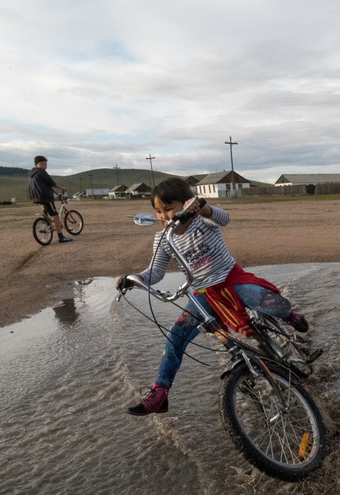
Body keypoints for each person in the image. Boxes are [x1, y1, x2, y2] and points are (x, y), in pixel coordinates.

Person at [118, 177, 309, 416]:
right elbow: (155, 272)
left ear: (186, 204)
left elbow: (224, 218)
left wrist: (204, 208)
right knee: (176, 337)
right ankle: (160, 392)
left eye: (168, 208)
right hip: (202, 293)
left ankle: (289, 316)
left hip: (230, 279)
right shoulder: (163, 238)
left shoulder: (202, 221)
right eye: (158, 211)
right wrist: (134, 279)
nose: (164, 216)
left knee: (274, 304)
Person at [27, 155, 72, 243]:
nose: (44, 166)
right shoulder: (42, 172)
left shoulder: (31, 173)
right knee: (55, 216)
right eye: (42, 164)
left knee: (46, 210)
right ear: (37, 164)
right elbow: (52, 183)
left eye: (45, 164)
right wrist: (62, 188)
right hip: (46, 196)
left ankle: (46, 220)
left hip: (37, 196)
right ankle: (61, 237)